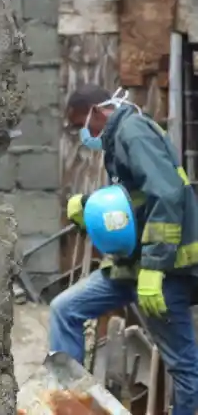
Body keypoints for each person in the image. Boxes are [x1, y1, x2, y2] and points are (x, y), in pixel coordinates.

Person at [55, 86, 198, 415]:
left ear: (98, 111)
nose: (82, 134)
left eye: (82, 124)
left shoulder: (132, 133)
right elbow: (134, 201)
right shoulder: (118, 137)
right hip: (131, 267)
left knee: (184, 366)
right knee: (65, 309)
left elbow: (168, 195)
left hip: (163, 272)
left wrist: (155, 267)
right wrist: (90, 208)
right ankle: (70, 406)